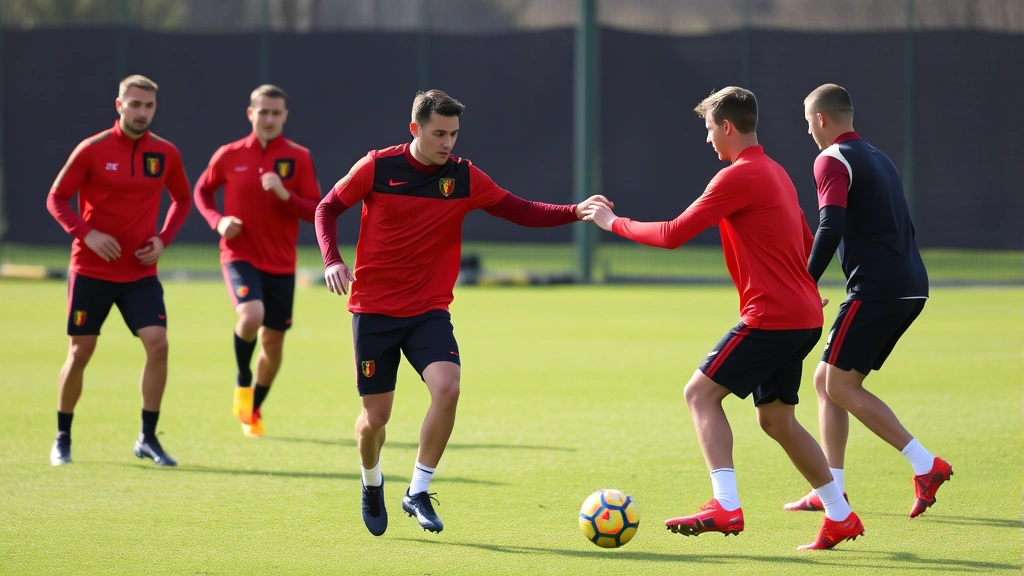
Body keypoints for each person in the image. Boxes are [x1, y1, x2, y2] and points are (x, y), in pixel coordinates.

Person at [315, 89, 611, 536]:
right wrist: (332, 259)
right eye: (438, 133)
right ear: (414, 129)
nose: (448, 143)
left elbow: (521, 210)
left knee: (448, 387)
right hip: (374, 310)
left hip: (428, 309)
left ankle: (417, 490)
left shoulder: (464, 177)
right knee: (375, 420)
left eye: (453, 134)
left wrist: (576, 211)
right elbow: (327, 208)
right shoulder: (376, 167)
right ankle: (371, 480)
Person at [582, 87, 863, 550]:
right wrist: (804, 288)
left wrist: (613, 222)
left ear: (727, 127)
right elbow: (806, 233)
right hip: (802, 317)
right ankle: (840, 515)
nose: (708, 139)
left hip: (772, 317)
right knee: (776, 420)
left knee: (700, 394)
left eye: (710, 129)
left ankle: (725, 505)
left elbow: (673, 234)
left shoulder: (737, 177)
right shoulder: (775, 172)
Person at [783, 83, 950, 518]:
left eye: (807, 122)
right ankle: (830, 489)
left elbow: (830, 226)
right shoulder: (881, 157)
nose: (807, 131)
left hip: (877, 288)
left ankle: (924, 463)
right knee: (825, 383)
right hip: (910, 283)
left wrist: (804, 282)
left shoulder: (830, 159)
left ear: (821, 118)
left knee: (839, 384)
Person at [45, 74, 192, 467]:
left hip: (140, 274)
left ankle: (147, 437)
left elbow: (182, 199)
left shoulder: (165, 153)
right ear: (119, 105)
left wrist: (162, 239)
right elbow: (56, 198)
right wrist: (86, 233)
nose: (142, 112)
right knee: (81, 351)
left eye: (149, 106)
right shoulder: (91, 149)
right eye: (135, 104)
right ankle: (63, 436)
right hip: (91, 270)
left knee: (158, 343)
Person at [194, 85, 321, 438]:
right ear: (250, 113)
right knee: (251, 316)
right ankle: (243, 380)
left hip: (281, 262)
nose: (268, 119)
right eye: (262, 112)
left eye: (275, 112)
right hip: (239, 254)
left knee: (274, 344)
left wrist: (285, 194)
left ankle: (253, 409)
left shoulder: (299, 158)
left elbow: (316, 210)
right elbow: (203, 190)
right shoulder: (229, 154)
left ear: (285, 116)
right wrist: (217, 221)